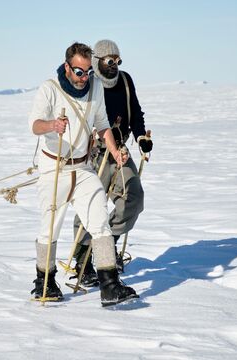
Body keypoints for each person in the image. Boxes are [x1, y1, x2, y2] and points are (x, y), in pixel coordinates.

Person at [28, 42, 138, 306]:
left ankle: (109, 285)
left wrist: (114, 151)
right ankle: (44, 283)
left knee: (99, 221)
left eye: (88, 72)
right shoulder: (50, 89)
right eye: (79, 72)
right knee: (50, 229)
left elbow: (102, 124)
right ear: (67, 66)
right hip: (54, 168)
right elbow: (35, 125)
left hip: (83, 167)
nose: (83, 78)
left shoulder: (95, 87)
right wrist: (52, 125)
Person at [72, 39, 153, 288]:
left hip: (121, 151)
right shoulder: (89, 83)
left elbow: (136, 112)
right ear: (98, 61)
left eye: (118, 61)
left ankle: (109, 245)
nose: (115, 65)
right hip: (92, 151)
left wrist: (140, 137)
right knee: (90, 206)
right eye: (110, 61)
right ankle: (83, 261)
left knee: (134, 197)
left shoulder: (126, 81)